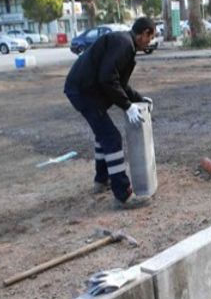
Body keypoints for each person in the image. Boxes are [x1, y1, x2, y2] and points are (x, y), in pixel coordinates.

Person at [64, 17, 156, 210]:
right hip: (84, 91)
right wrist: (127, 106)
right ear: (144, 33)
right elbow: (107, 79)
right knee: (111, 138)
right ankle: (123, 195)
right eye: (150, 37)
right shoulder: (124, 45)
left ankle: (101, 180)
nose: (150, 42)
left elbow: (120, 84)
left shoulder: (125, 44)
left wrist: (139, 99)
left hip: (85, 89)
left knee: (103, 135)